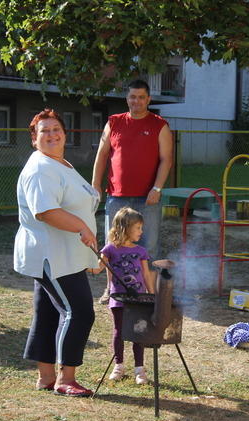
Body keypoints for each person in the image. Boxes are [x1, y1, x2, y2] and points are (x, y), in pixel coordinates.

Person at [14, 108, 100, 397]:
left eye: (55, 129)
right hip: (53, 254)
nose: (51, 134)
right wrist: (82, 227)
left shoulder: (58, 163)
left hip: (66, 252)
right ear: (34, 139)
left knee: (49, 313)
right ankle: (66, 379)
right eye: (44, 131)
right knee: (80, 312)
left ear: (65, 133)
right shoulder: (41, 168)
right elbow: (46, 211)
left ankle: (47, 377)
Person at [92, 79, 174, 303]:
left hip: (148, 198)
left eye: (141, 97)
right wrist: (95, 184)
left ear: (148, 99)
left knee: (148, 246)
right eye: (132, 97)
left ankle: (149, 293)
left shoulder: (159, 125)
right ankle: (112, 290)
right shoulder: (114, 122)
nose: (136, 101)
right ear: (127, 99)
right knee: (113, 247)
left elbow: (167, 160)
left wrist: (157, 187)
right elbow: (101, 156)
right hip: (116, 196)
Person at [95, 207, 155, 384]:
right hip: (118, 298)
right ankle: (118, 366)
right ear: (126, 228)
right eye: (138, 228)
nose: (141, 232)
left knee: (138, 332)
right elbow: (98, 268)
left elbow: (146, 274)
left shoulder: (141, 251)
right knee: (118, 331)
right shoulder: (110, 249)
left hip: (138, 299)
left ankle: (139, 369)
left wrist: (151, 295)